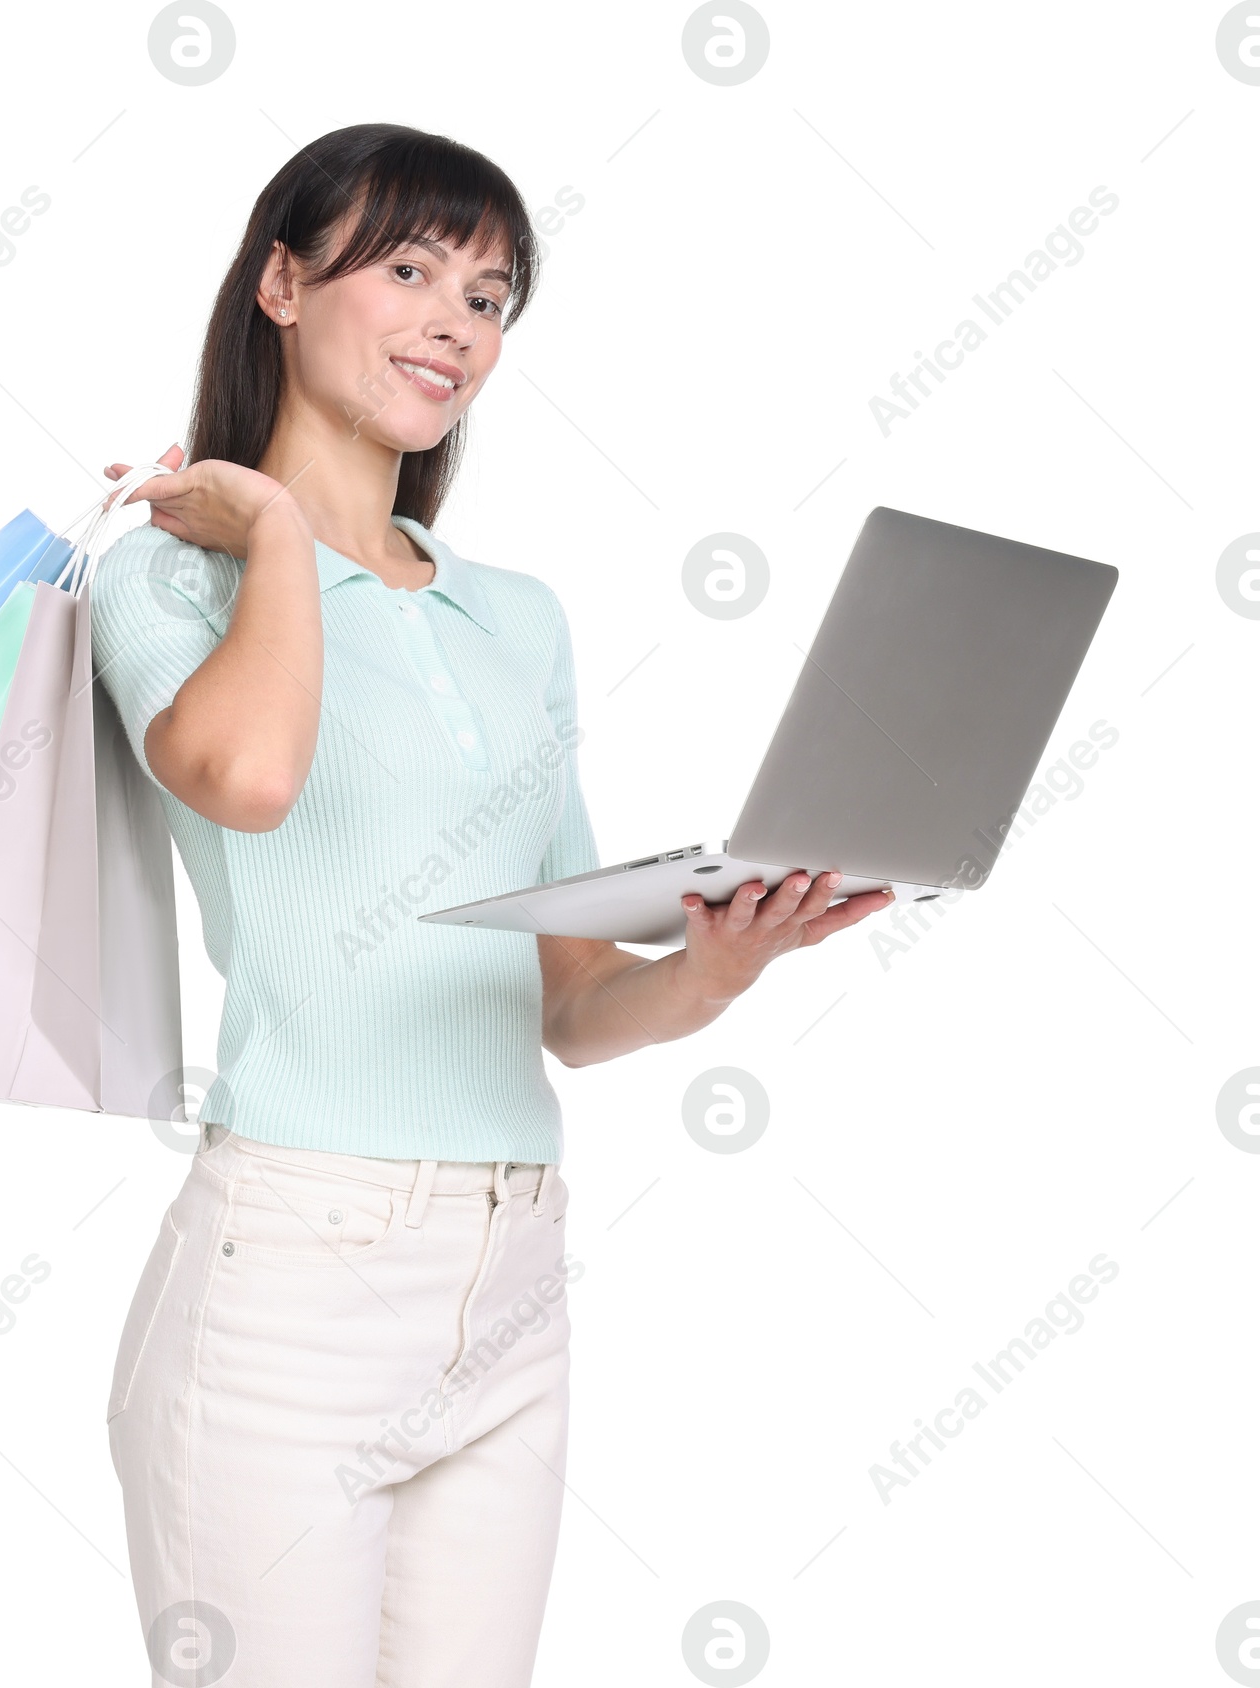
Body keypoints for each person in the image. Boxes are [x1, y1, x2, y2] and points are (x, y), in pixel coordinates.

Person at [89, 122, 894, 1687]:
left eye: (493, 293)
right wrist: (265, 526)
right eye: (409, 269)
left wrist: (720, 968)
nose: (458, 321)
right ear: (277, 282)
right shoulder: (166, 575)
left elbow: (579, 1007)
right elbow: (246, 777)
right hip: (290, 1281)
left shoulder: (513, 619)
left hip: (514, 1275)